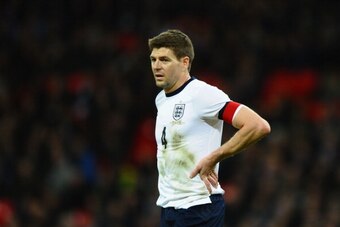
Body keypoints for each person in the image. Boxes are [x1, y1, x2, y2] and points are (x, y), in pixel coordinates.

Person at [148, 29, 271, 227]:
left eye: (164, 59)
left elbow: (258, 125)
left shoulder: (202, 94)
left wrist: (216, 155)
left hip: (199, 208)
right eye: (153, 60)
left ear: (185, 62)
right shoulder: (161, 99)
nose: (156, 66)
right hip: (169, 208)